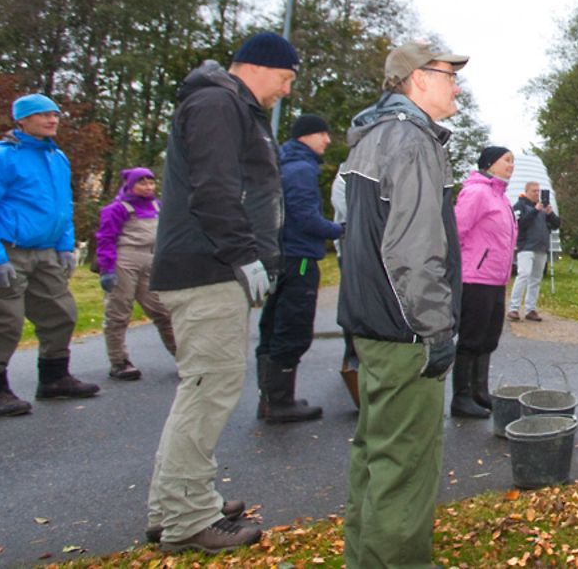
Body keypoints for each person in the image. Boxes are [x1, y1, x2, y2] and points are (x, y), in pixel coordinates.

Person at [147, 32, 297, 552]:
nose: (286, 90)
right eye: (286, 78)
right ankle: (188, 519)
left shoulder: (231, 107)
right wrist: (243, 254)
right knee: (209, 392)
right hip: (208, 269)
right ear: (259, 67)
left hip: (212, 268)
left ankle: (174, 503)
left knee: (200, 390)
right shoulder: (217, 103)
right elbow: (215, 187)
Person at [338, 40, 468, 568]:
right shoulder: (412, 143)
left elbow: (350, 233)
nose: (457, 85)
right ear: (417, 79)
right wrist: (435, 329)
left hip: (371, 324)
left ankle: (365, 559)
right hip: (404, 332)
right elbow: (412, 251)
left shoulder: (369, 139)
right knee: (406, 464)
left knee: (373, 454)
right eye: (447, 74)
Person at [0, 93, 98, 418]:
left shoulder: (57, 158)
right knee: (3, 319)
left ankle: (54, 378)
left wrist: (65, 247)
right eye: (42, 114)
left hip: (46, 251)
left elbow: (63, 205)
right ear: (21, 119)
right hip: (8, 250)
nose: (52, 120)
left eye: (55, 114)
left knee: (61, 313)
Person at [254, 113, 343, 424]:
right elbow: (305, 216)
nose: (327, 140)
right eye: (323, 134)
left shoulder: (283, 164)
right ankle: (280, 401)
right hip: (300, 257)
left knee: (273, 324)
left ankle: (269, 399)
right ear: (306, 136)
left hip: (281, 255)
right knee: (293, 327)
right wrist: (339, 229)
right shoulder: (302, 169)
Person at [94, 167, 176, 381]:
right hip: (125, 260)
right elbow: (106, 239)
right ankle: (119, 361)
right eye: (142, 183)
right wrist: (107, 269)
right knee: (119, 312)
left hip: (151, 260)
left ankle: (184, 357)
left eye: (151, 182)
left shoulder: (158, 206)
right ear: (130, 185)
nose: (148, 187)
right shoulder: (117, 209)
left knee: (162, 311)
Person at [452, 145, 516, 420]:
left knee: (489, 337)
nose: (511, 165)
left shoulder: (501, 197)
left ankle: (480, 391)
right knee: (471, 337)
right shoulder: (476, 192)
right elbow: (457, 231)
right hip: (475, 278)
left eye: (513, 161)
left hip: (496, 278)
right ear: (490, 163)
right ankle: (461, 397)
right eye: (507, 161)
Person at [508, 178, 561, 321]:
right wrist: (535, 211)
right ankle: (513, 308)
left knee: (536, 279)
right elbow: (519, 224)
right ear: (526, 192)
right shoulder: (520, 206)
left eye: (539, 191)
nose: (537, 194)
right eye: (534, 191)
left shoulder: (544, 207)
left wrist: (550, 213)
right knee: (523, 274)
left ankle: (531, 309)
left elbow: (556, 224)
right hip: (526, 246)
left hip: (541, 247)